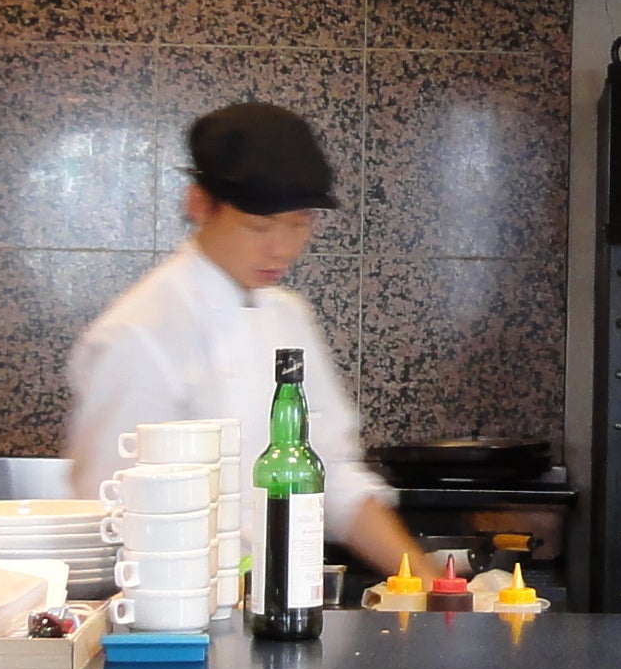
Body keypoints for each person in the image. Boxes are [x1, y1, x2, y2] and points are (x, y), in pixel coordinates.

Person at [64, 102, 424, 581]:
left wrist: (426, 582)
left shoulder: (287, 316)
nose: (283, 247)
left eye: (299, 222)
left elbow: (334, 475)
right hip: (176, 612)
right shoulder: (140, 333)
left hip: (276, 603)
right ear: (199, 204)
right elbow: (111, 513)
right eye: (260, 226)